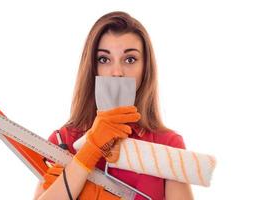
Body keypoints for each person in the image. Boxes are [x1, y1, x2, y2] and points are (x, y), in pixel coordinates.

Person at [33, 11, 194, 200]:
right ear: (92, 68)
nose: (117, 72)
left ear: (145, 69)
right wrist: (89, 150)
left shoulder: (168, 146)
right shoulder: (63, 140)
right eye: (104, 59)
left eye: (130, 59)